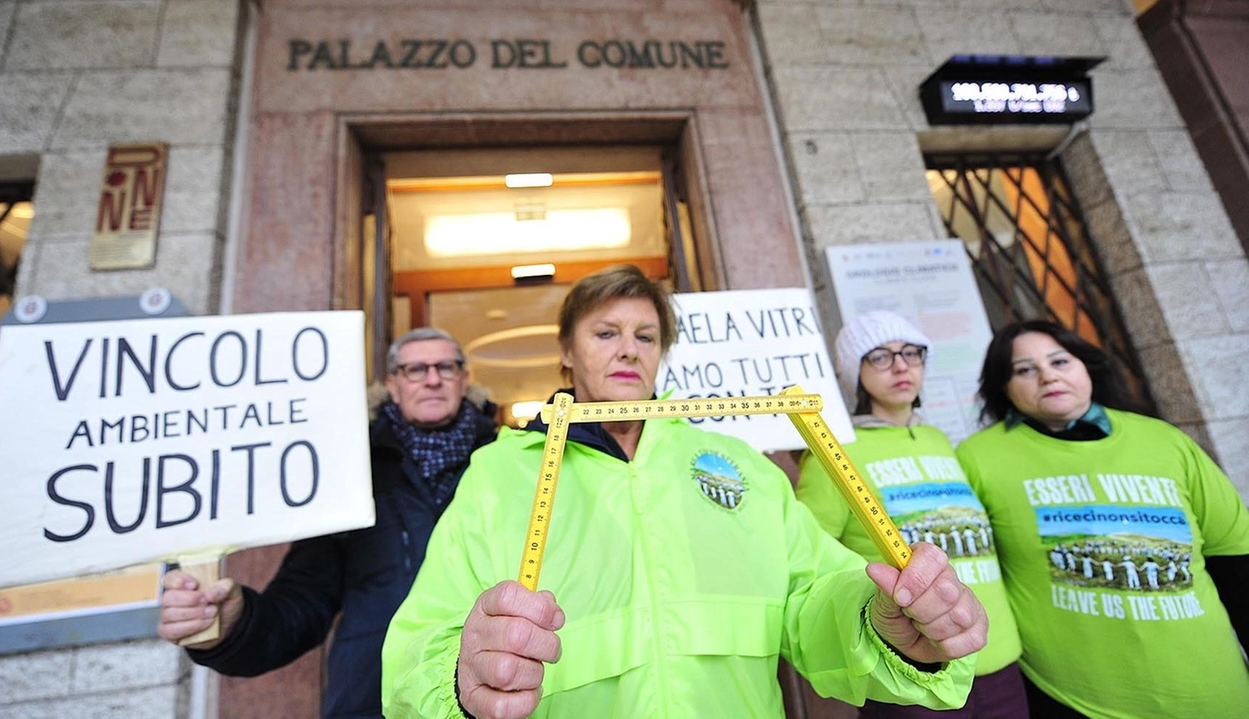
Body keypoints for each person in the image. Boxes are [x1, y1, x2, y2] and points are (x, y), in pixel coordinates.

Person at [381, 265, 987, 719]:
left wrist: (883, 624)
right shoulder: (500, 474)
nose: (627, 348)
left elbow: (813, 598)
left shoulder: (740, 466)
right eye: (606, 332)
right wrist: (461, 679)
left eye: (646, 336)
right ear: (567, 350)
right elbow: (419, 644)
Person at [157, 327, 497, 719]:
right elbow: (303, 601)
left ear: (464, 378)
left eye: (446, 367)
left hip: (499, 690)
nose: (433, 379)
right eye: (415, 369)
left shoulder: (508, 459)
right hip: (375, 700)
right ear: (393, 384)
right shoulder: (347, 470)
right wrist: (234, 625)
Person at [955, 319, 1249, 718]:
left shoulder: (1166, 441)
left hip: (1215, 693)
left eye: (1060, 361)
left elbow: (1234, 561)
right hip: (1071, 700)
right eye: (1024, 369)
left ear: (1086, 367)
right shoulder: (977, 458)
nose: (1047, 376)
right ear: (1002, 386)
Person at [795, 310, 1027, 719]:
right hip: (910, 670)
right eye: (880, 357)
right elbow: (809, 562)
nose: (901, 365)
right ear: (855, 374)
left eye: (911, 353)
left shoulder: (940, 440)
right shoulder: (833, 453)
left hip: (999, 658)